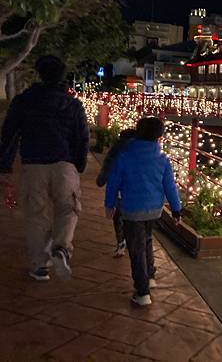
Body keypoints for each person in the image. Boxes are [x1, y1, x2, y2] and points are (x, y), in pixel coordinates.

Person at [0, 55, 89, 281]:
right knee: (69, 208)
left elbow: (9, 135)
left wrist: (5, 164)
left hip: (33, 163)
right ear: (62, 76)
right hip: (64, 163)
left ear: (39, 73)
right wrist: (78, 163)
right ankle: (61, 246)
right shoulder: (72, 104)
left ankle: (40, 266)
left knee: (36, 215)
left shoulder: (23, 101)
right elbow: (81, 137)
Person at [104, 117, 181, 306]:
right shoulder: (162, 160)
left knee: (136, 249)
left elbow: (113, 182)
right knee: (146, 240)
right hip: (154, 209)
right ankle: (150, 276)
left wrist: (110, 204)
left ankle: (142, 291)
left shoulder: (125, 156)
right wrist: (177, 209)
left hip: (131, 209)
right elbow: (169, 186)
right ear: (159, 136)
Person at [96, 128, 137, 257]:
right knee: (131, 218)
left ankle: (121, 242)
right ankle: (131, 241)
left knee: (118, 216)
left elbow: (107, 166)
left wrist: (101, 180)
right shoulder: (139, 150)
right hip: (134, 191)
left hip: (119, 190)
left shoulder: (116, 149)